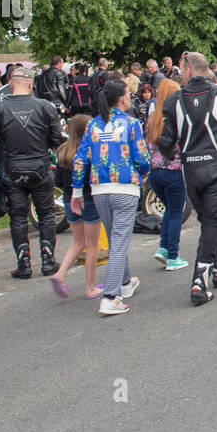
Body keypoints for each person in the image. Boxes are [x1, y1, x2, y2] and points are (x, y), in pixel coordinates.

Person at [156, 52, 217, 307]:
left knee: (208, 219)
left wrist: (175, 154)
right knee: (213, 221)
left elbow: (165, 142)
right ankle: (200, 279)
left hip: (190, 168)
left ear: (187, 70)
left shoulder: (173, 100)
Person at [70, 79, 149, 315]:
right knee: (119, 243)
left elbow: (80, 159)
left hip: (100, 189)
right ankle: (110, 296)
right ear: (123, 98)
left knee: (116, 239)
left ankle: (124, 283)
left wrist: (76, 191)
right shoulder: (132, 123)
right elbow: (142, 157)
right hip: (125, 187)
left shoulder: (92, 125)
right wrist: (143, 174)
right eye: (128, 94)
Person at [0, 67, 65, 280]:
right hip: (40, 168)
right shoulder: (45, 107)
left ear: (10, 83)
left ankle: (24, 264)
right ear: (30, 84)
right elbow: (57, 139)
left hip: (12, 170)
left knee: (17, 217)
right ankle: (47, 261)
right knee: (46, 214)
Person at [48, 115, 104, 300]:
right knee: (92, 245)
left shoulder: (63, 151)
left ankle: (61, 273)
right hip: (88, 199)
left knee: (78, 242)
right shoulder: (89, 151)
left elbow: (58, 181)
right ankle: (89, 287)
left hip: (67, 199)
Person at [146, 79, 188, 272]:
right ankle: (172, 255)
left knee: (170, 211)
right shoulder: (175, 117)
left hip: (155, 172)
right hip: (173, 170)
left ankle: (163, 247)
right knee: (176, 212)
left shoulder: (153, 117)